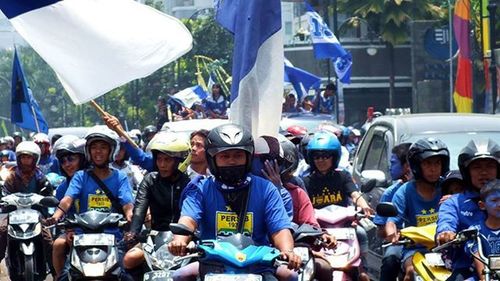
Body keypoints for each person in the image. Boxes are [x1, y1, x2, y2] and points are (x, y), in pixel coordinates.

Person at [168, 123, 301, 281]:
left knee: (291, 276)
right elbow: (188, 220)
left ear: (248, 157)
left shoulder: (266, 189)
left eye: (238, 155)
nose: (232, 161)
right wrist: (179, 242)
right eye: (225, 156)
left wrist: (288, 251)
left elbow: (279, 229)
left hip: (259, 265)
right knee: (179, 276)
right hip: (213, 263)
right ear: (212, 159)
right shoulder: (199, 188)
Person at [47, 125, 134, 278]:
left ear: (111, 151)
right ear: (88, 151)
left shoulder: (120, 177)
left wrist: (131, 219)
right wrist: (56, 215)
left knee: (125, 275)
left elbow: (127, 204)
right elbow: (68, 199)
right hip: (81, 237)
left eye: (103, 147)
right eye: (94, 147)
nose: (98, 151)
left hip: (113, 237)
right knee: (66, 276)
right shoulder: (80, 176)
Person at [303, 130, 373, 281]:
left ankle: (363, 270)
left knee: (361, 232)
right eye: (317, 157)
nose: (321, 160)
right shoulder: (306, 182)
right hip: (318, 229)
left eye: (325, 156)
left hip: (344, 226)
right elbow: (303, 205)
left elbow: (354, 194)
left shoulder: (343, 176)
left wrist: (363, 205)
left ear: (334, 157)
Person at [123, 132, 191, 280]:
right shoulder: (150, 180)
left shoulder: (191, 183)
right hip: (154, 238)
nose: (162, 164)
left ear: (181, 160)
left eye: (167, 160)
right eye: (159, 159)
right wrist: (133, 232)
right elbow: (140, 209)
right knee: (129, 259)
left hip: (186, 241)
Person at [385, 138, 450, 281]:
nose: (433, 169)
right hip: (415, 249)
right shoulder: (405, 191)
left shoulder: (448, 187)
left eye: (437, 163)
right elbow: (392, 220)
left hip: (448, 249)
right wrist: (392, 233)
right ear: (416, 166)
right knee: (411, 271)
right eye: (428, 163)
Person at [436, 139, 500, 281]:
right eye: (477, 167)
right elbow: (446, 222)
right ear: (467, 171)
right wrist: (446, 233)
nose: (484, 172)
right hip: (467, 268)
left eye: (490, 166)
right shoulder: (453, 202)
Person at [0, 141, 54, 278]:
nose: (25, 160)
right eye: (23, 157)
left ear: (34, 159)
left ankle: (55, 271)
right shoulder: (12, 176)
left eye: (28, 157)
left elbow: (48, 193)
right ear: (18, 158)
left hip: (37, 216)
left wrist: (46, 198)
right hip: (14, 215)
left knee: (48, 239)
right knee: (1, 231)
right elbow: (4, 192)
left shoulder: (41, 177)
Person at [372, 142, 412, 281]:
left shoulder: (437, 189)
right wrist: (395, 234)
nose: (390, 166)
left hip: (432, 244)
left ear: (407, 165)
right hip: (403, 245)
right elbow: (381, 230)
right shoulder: (391, 193)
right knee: (391, 259)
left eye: (393, 163)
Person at [50, 135, 88, 279]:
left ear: (82, 159)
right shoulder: (61, 188)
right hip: (73, 231)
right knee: (58, 244)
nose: (67, 164)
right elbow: (63, 213)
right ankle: (60, 277)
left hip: (101, 229)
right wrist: (68, 229)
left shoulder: (93, 179)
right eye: (63, 161)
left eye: (71, 159)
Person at [467, 179, 500, 281]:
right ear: (482, 205)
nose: (499, 204)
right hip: (483, 275)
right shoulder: (475, 230)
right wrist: (484, 279)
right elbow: (477, 256)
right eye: (494, 200)